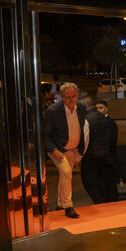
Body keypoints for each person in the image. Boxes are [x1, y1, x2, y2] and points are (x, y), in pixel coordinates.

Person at [43, 82, 88, 218]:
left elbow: (83, 128)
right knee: (66, 172)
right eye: (68, 97)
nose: (71, 99)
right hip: (57, 148)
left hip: (73, 148)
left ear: (77, 95)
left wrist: (79, 151)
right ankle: (68, 206)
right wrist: (52, 149)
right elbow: (44, 134)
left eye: (73, 96)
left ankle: (60, 204)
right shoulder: (52, 111)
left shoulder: (81, 108)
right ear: (62, 97)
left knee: (65, 176)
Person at [80, 97, 119, 203]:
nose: (99, 110)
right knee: (106, 182)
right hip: (105, 156)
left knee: (97, 182)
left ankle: (103, 203)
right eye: (97, 108)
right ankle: (110, 204)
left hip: (96, 155)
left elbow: (86, 139)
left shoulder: (87, 119)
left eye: (101, 107)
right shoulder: (105, 119)